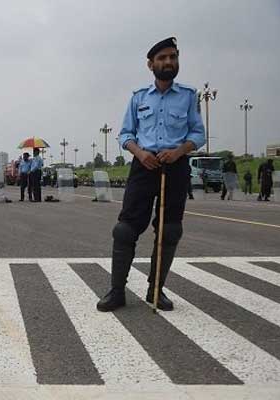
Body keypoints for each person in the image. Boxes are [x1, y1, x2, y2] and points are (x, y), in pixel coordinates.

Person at [96, 37, 205, 312]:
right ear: (151, 64)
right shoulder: (138, 97)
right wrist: (139, 152)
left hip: (175, 168)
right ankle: (117, 291)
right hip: (143, 166)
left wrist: (179, 151)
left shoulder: (189, 96)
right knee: (125, 230)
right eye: (162, 58)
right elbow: (125, 134)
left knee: (169, 230)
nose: (168, 62)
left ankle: (156, 291)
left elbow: (197, 133)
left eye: (173, 57)